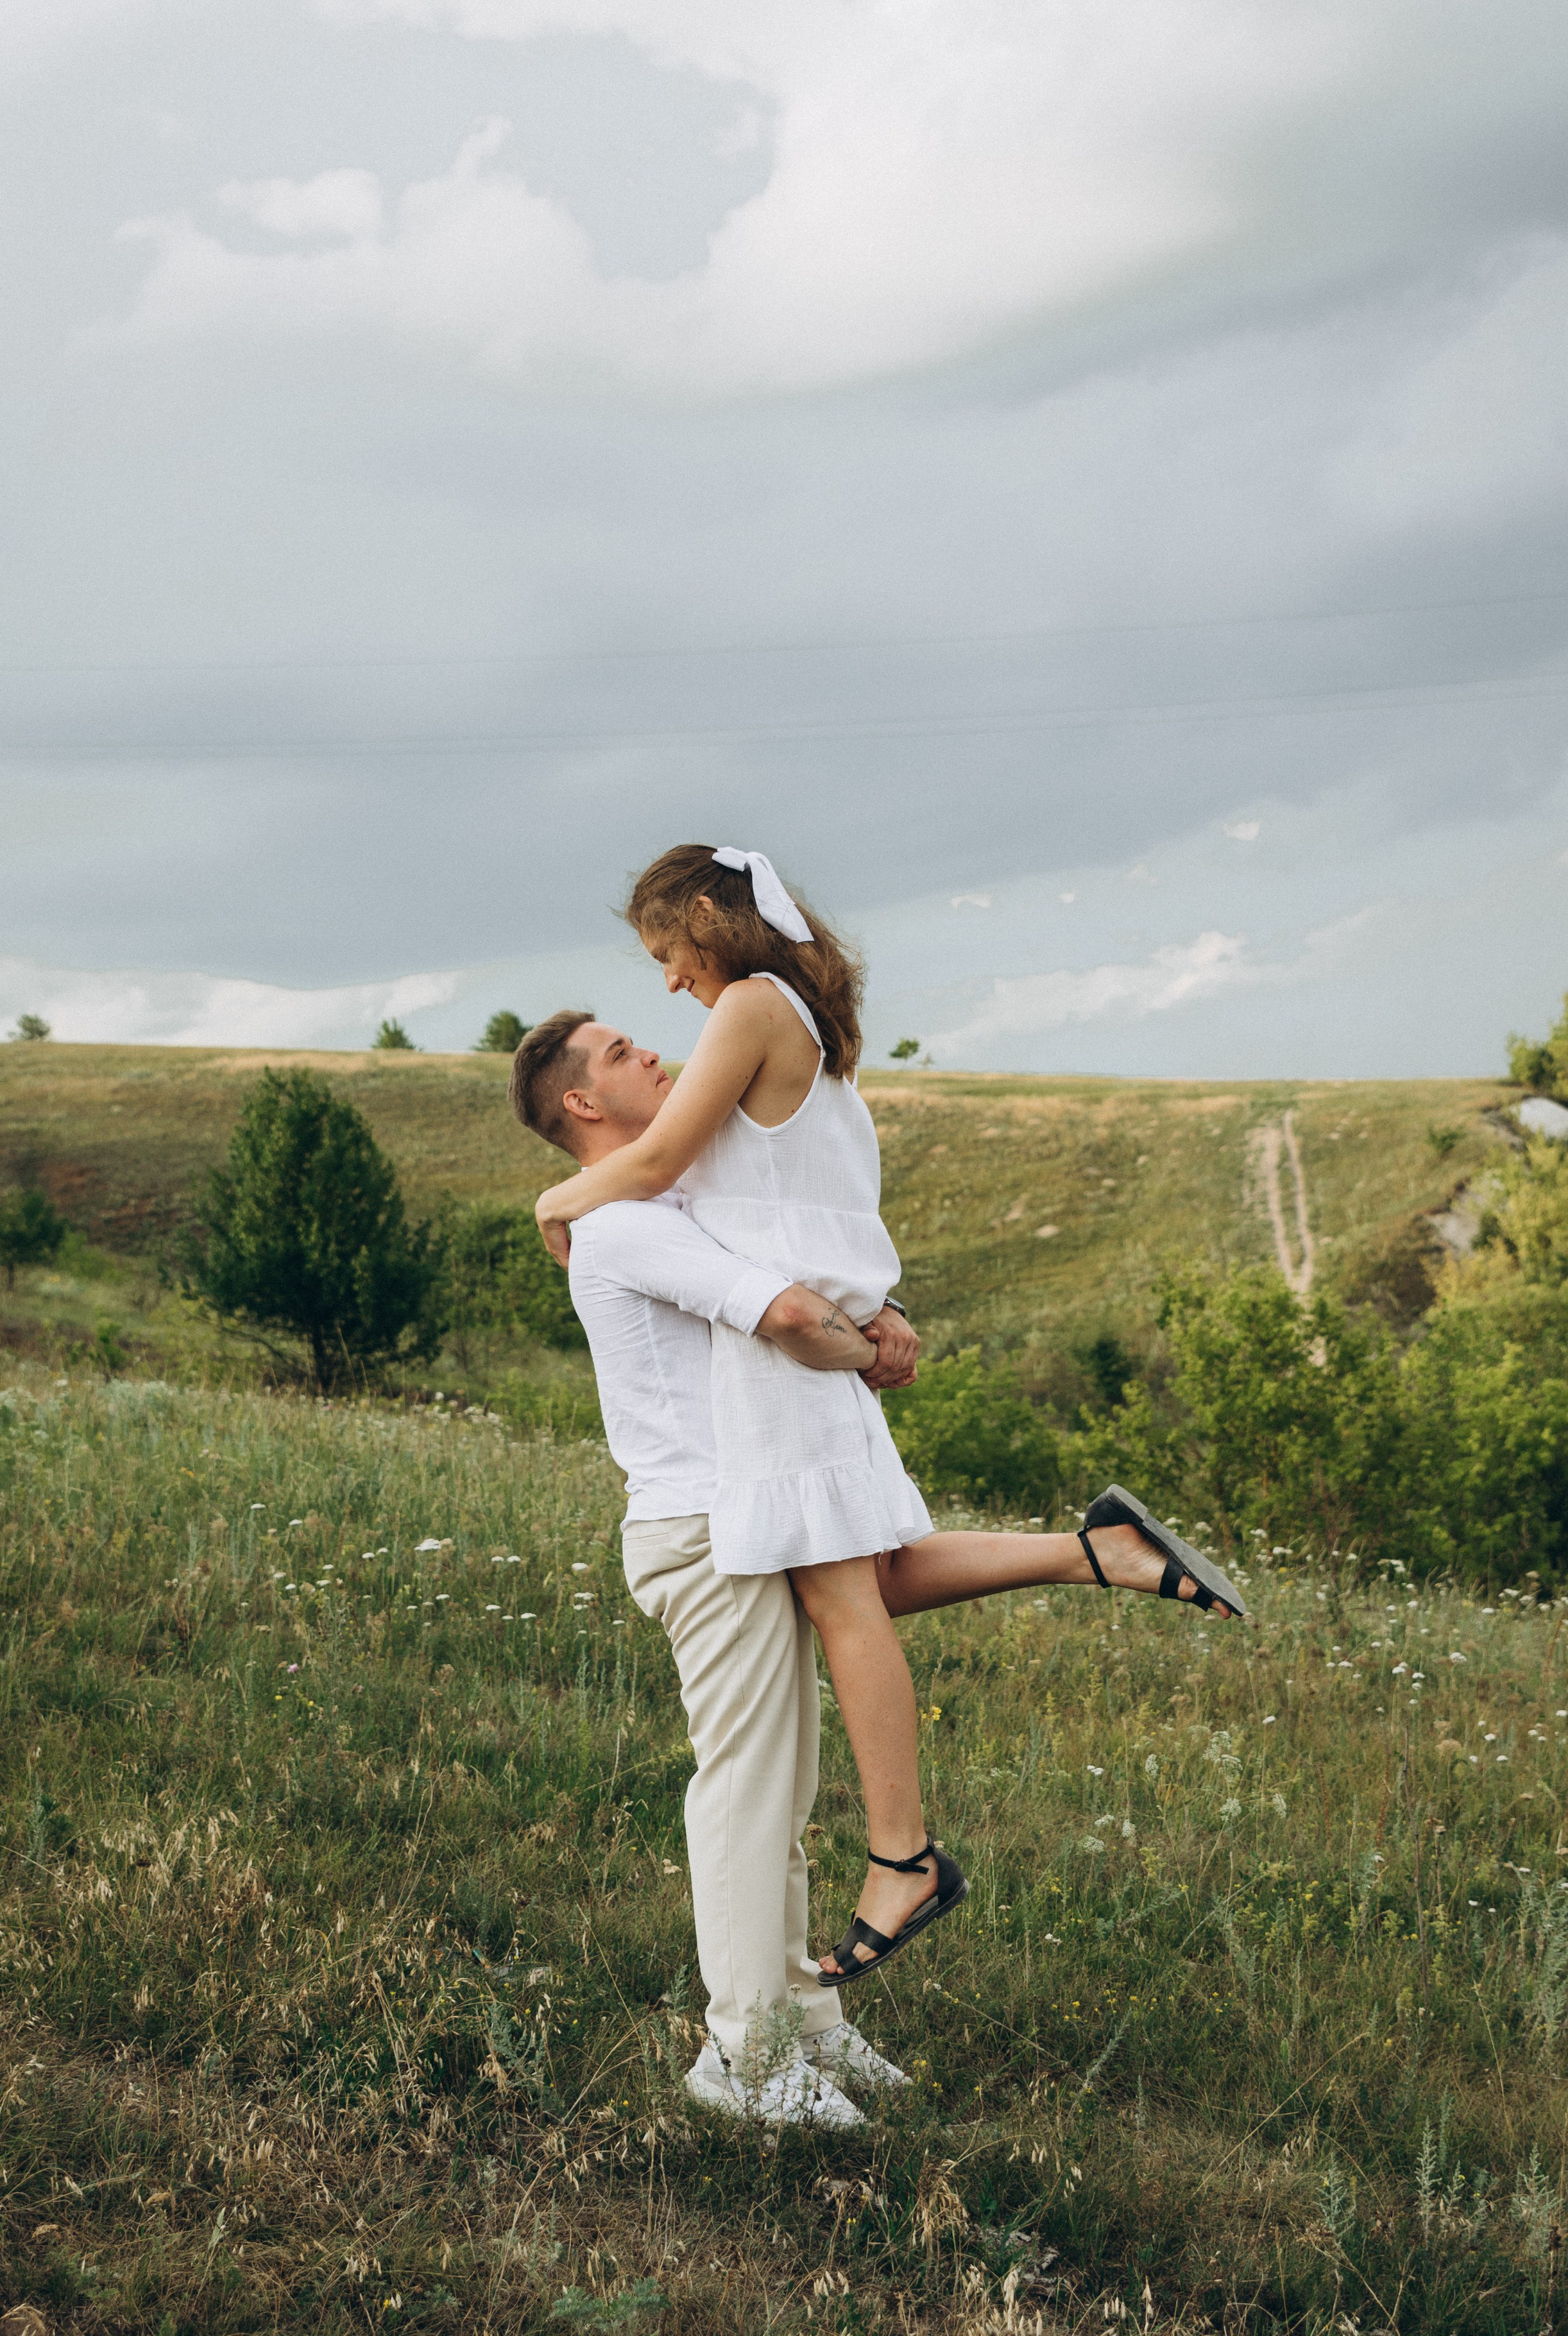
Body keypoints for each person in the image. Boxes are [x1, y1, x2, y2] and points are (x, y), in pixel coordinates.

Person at [533, 849, 1245, 1997]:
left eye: (668, 955)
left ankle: (902, 1857)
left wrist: (556, 1199)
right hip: (821, 1346)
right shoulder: (805, 1016)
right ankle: (1099, 1553)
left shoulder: (754, 1010)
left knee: (844, 1595)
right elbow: (781, 1203)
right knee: (877, 1573)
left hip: (789, 1370)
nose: (668, 991)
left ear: (710, 926)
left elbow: (669, 1163)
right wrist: (875, 1310)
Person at [508, 1007, 916, 2127]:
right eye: (622, 1053)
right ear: (585, 1105)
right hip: (700, 1531)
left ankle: (807, 2025)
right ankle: (742, 2057)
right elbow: (787, 1313)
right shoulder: (629, 1227)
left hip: (741, 1520)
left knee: (779, 1790)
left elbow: (799, 1280)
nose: (653, 1052)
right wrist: (875, 1348)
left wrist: (872, 1318)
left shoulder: (663, 1204)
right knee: (743, 1788)